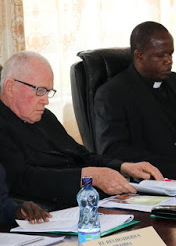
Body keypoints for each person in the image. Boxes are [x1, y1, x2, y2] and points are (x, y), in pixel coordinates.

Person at [0, 51, 164, 209]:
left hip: (89, 201)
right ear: (10, 87)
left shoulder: (44, 117)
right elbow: (21, 179)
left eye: (48, 92)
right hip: (50, 210)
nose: (45, 101)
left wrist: (123, 166)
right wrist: (88, 176)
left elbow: (82, 156)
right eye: (39, 91)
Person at [94, 21, 176, 178]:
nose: (168, 60)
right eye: (160, 55)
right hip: (159, 181)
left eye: (170, 54)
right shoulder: (112, 94)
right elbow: (113, 150)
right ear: (139, 56)